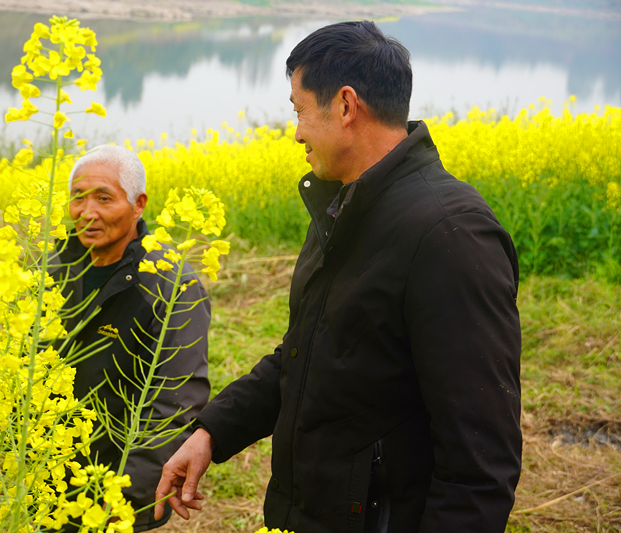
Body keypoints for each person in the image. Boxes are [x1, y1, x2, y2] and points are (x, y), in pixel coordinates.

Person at [155, 21, 522, 533]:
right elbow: (307, 354)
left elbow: (480, 461)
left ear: (346, 106)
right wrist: (211, 433)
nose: (297, 130)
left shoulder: (450, 234)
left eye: (299, 109)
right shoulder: (343, 206)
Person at [51, 144, 211, 531]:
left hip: (115, 488)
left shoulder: (173, 285)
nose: (87, 213)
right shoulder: (49, 271)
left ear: (138, 204)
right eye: (78, 198)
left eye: (104, 198)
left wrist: (124, 502)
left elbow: (174, 399)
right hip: (44, 479)